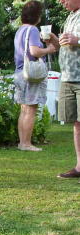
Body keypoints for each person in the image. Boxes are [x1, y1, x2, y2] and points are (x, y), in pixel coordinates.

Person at [13, 1, 57, 152]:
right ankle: (26, 143)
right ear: (37, 15)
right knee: (31, 109)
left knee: (24, 109)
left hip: (20, 72)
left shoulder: (20, 30)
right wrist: (49, 49)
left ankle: (22, 142)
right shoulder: (32, 30)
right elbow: (34, 52)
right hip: (31, 73)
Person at [54, 0, 80, 181]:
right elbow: (66, 43)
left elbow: (75, 40)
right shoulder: (71, 16)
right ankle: (79, 166)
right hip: (68, 77)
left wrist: (77, 40)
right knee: (76, 123)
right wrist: (54, 40)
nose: (61, 2)